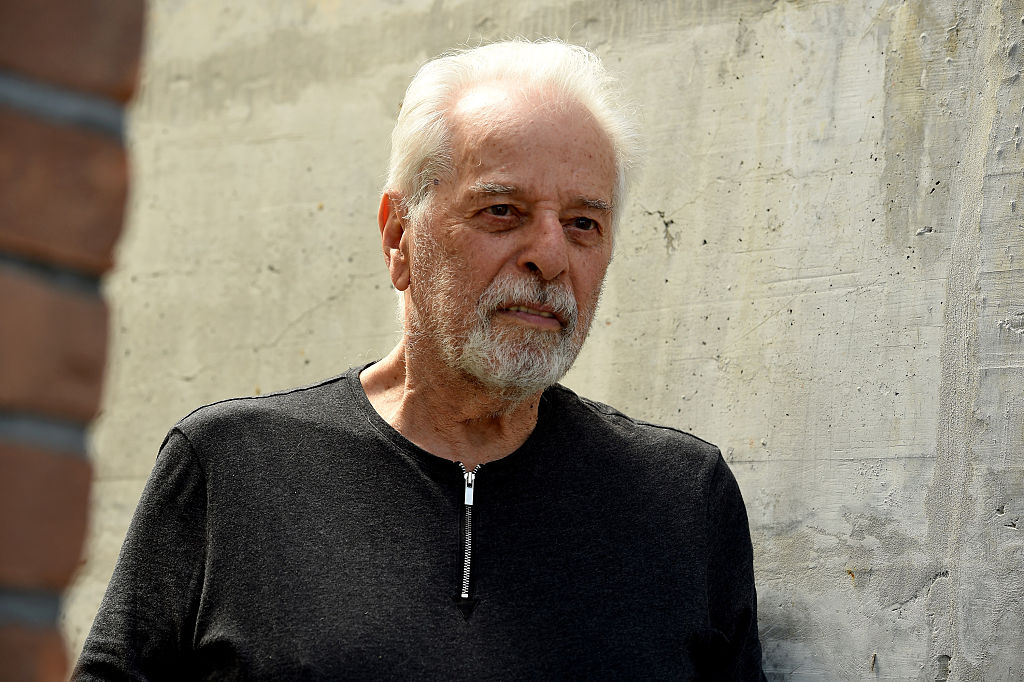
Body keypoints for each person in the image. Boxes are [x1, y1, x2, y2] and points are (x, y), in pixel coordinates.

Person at [75, 40, 766, 680]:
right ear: (400, 236)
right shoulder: (232, 468)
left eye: (583, 224)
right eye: (502, 210)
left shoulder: (681, 500)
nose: (551, 256)